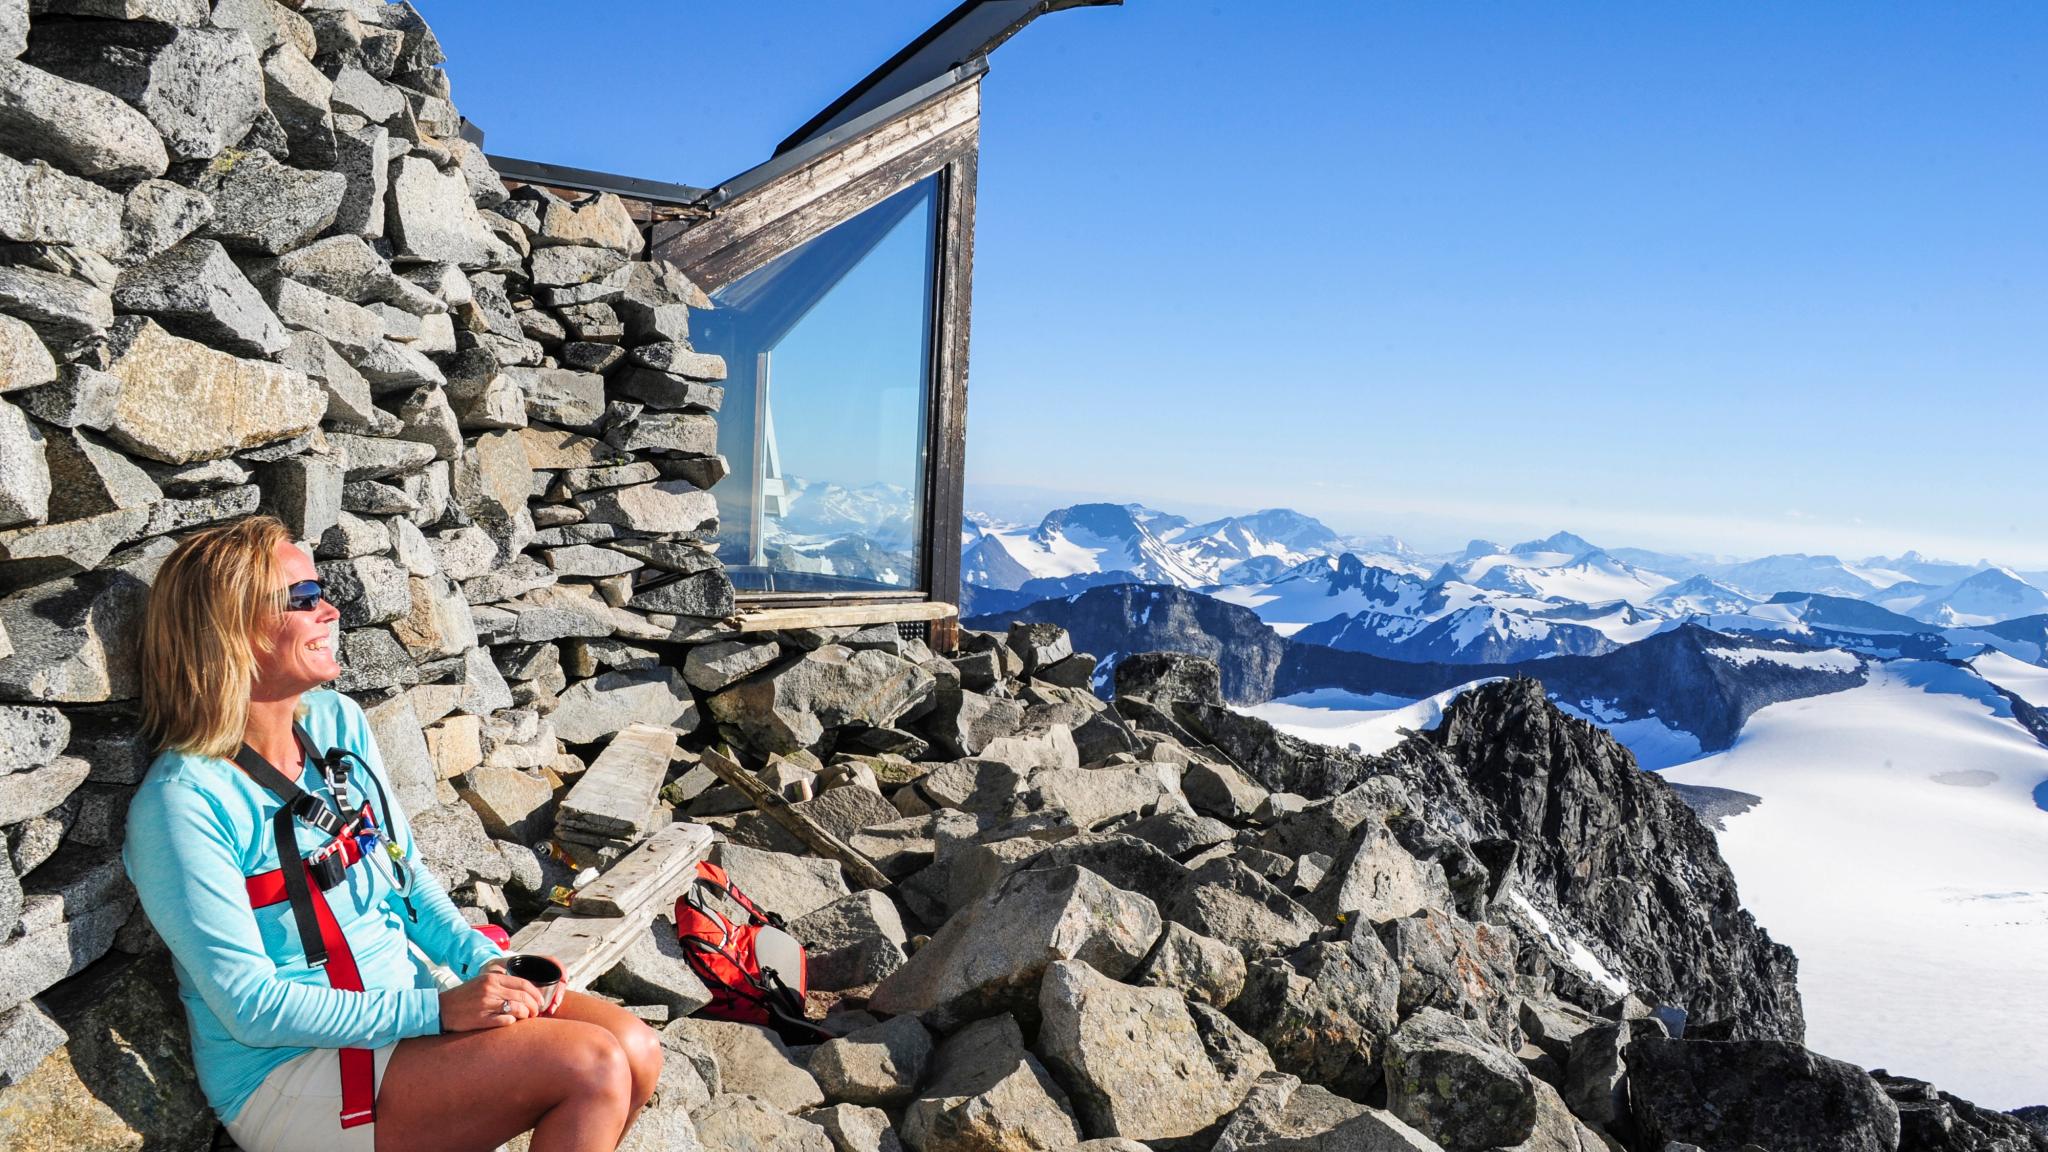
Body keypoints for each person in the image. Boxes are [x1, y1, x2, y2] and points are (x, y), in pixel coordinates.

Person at [123, 516, 662, 1152]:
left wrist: (480, 963)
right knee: (591, 1067)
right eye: (302, 598)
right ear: (232, 632)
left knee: (637, 1048)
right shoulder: (182, 803)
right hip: (290, 1066)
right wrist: (440, 1012)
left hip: (402, 1000)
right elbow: (253, 1009)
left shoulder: (335, 723)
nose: (330, 610)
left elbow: (404, 874)